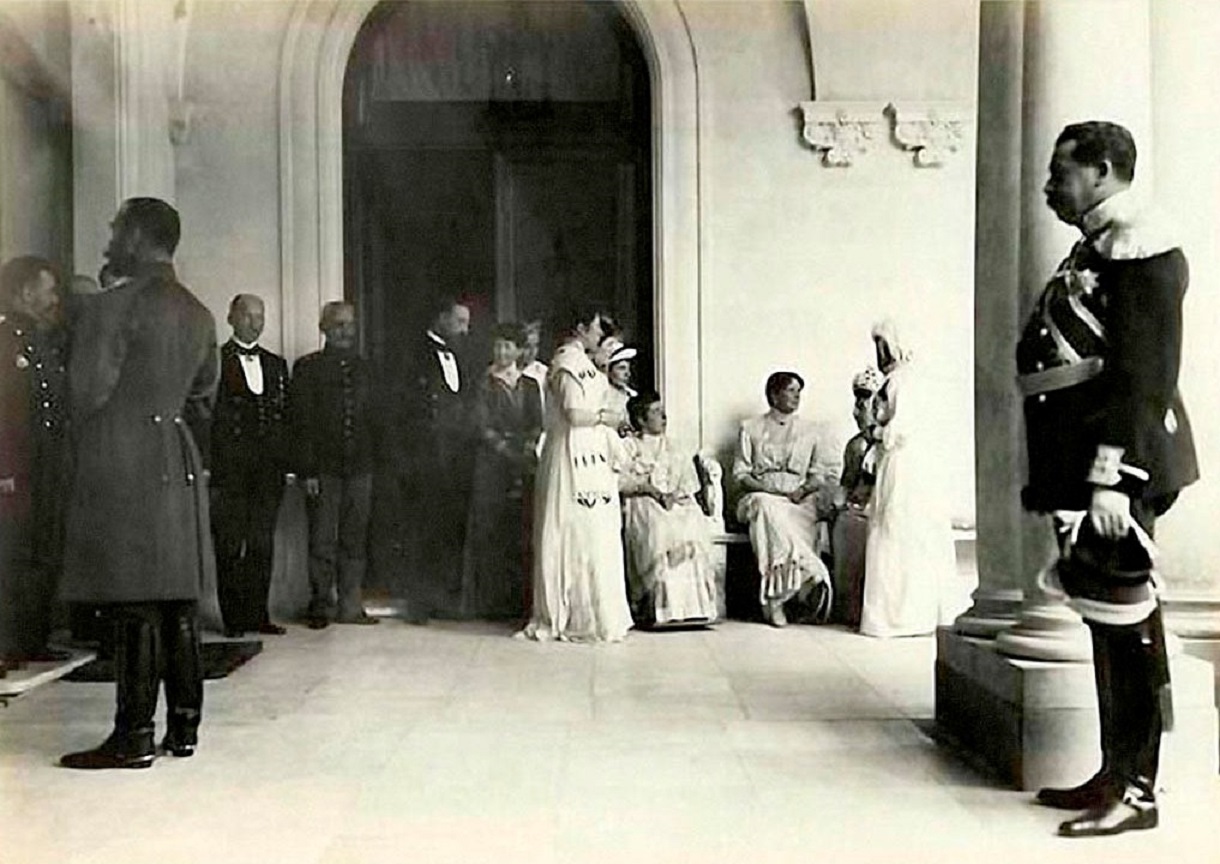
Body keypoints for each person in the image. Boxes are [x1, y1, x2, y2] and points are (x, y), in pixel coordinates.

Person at [1020, 121, 1197, 838]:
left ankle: (1140, 791)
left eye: (1061, 173)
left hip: (1117, 468)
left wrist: (1112, 480)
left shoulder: (1143, 248)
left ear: (1100, 170)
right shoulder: (1100, 242)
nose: (1049, 186)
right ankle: (1112, 772)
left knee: (1128, 624)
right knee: (1105, 619)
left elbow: (1144, 379)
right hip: (1086, 464)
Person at [59, 198, 217, 769]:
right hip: (176, 457)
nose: (109, 235)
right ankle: (185, 729)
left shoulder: (112, 307)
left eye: (116, 226)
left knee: (133, 601)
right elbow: (204, 391)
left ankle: (131, 736)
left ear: (138, 235)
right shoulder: (199, 311)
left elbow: (86, 394)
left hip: (122, 458)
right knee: (176, 597)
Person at [517, 306, 633, 642]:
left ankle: (595, 613)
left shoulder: (586, 363)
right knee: (574, 530)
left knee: (596, 531)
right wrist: (606, 417)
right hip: (570, 452)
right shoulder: (566, 362)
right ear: (581, 328)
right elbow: (573, 412)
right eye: (596, 328)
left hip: (592, 452)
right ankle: (569, 613)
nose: (599, 335)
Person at [859, 321, 966, 638]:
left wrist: (874, 430)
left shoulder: (902, 382)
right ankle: (908, 614)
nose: (879, 353)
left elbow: (900, 430)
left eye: (882, 345)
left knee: (899, 529)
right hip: (909, 463)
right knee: (900, 531)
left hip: (906, 464)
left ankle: (903, 617)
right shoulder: (904, 380)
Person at [0, 256, 71, 672]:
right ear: (26, 292)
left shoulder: (41, 342)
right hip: (16, 470)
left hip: (46, 466)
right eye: (49, 290)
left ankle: (32, 639)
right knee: (12, 556)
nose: (54, 299)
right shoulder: (5, 341)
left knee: (43, 551)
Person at [291, 301, 379, 630]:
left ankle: (351, 605)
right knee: (322, 539)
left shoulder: (366, 368)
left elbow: (373, 419)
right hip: (323, 469)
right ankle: (321, 604)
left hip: (360, 467)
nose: (346, 331)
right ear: (324, 328)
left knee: (355, 540)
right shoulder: (307, 368)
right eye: (339, 325)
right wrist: (308, 470)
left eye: (350, 325)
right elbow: (301, 423)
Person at [210, 294, 291, 638]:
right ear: (231, 318)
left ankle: (258, 614)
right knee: (229, 544)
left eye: (260, 316)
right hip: (230, 470)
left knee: (261, 543)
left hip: (268, 471)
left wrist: (288, 464)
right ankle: (233, 619)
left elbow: (286, 420)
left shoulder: (276, 364)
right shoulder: (215, 360)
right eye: (248, 315)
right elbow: (208, 417)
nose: (255, 322)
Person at [733, 371, 837, 627]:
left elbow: (819, 473)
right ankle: (800, 577)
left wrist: (800, 492)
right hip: (759, 496)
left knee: (786, 517)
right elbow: (741, 473)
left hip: (798, 500)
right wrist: (768, 490)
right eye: (790, 390)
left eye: (799, 391)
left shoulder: (811, 430)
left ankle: (779, 594)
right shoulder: (750, 428)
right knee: (766, 508)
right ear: (773, 394)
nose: (796, 396)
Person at [461, 323, 543, 619]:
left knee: (520, 531)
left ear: (520, 350)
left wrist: (527, 447)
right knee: (490, 530)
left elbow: (537, 422)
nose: (502, 352)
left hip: (522, 464)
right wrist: (508, 451)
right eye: (498, 346)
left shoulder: (530, 384)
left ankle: (518, 602)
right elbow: (481, 426)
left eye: (508, 346)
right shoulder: (483, 383)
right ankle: (490, 603)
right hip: (491, 465)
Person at [401, 295, 473, 623]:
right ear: (441, 318)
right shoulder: (413, 354)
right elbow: (404, 410)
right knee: (422, 530)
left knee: (448, 529)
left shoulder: (462, 355)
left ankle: (444, 598)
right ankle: (419, 603)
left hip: (455, 457)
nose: (464, 329)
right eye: (459, 322)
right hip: (425, 457)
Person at [619, 391, 719, 627]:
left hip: (673, 501)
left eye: (662, 410)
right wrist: (652, 491)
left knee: (690, 519)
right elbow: (621, 481)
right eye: (655, 412)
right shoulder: (629, 446)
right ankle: (658, 609)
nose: (663, 416)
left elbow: (689, 481)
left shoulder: (675, 445)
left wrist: (675, 495)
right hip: (643, 499)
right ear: (641, 419)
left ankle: (694, 609)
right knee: (658, 525)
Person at [829, 366, 883, 628]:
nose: (858, 411)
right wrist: (837, 505)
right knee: (847, 525)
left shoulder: (891, 444)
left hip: (883, 506)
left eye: (865, 404)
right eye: (857, 405)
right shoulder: (856, 445)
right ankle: (849, 608)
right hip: (857, 507)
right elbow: (846, 482)